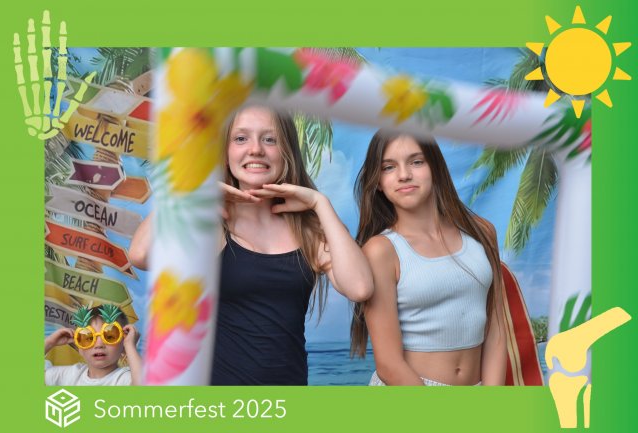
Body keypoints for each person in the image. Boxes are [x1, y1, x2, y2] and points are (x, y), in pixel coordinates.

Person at [130, 105, 373, 385]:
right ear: (225, 153)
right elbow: (140, 254)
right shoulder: (211, 224)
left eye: (270, 139)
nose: (256, 149)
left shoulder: (308, 230)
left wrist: (321, 203)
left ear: (286, 152)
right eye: (241, 138)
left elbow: (360, 288)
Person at [350, 131, 507, 386]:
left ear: (435, 167)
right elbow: (389, 365)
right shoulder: (381, 251)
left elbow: (497, 329)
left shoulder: (482, 232)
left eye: (416, 161)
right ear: (378, 181)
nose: (404, 175)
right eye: (389, 167)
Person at [44, 304, 142, 385]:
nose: (99, 344)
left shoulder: (124, 379)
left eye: (109, 337)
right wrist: (49, 342)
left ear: (124, 345)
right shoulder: (70, 375)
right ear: (79, 347)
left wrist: (130, 346)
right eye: (88, 338)